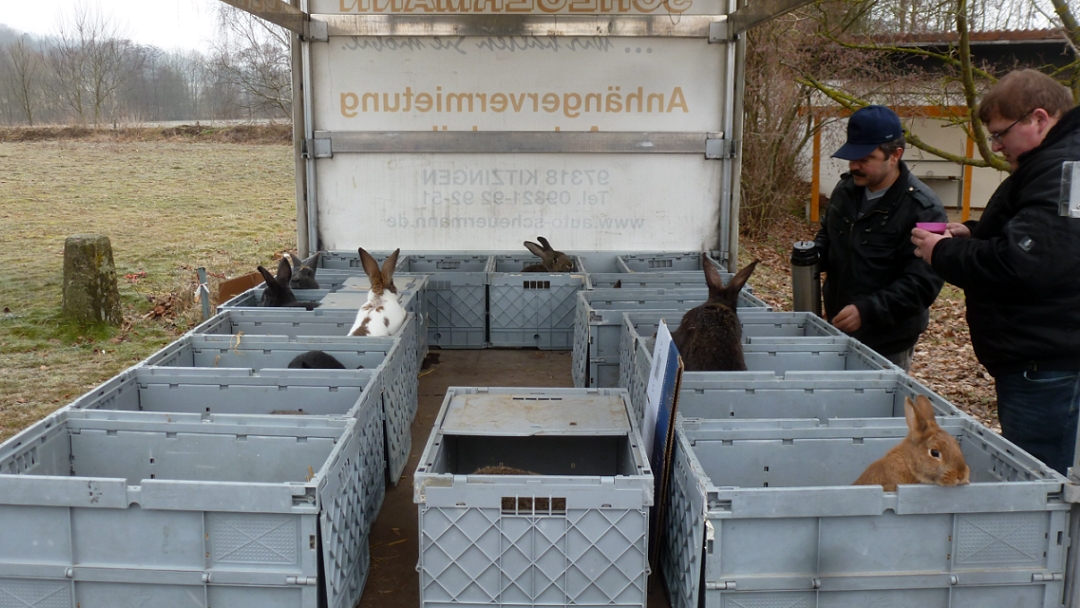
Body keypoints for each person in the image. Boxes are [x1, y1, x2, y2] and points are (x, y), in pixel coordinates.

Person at [911, 69, 1080, 475]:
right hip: (1040, 358)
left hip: (1046, 367)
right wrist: (974, 233)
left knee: (1040, 483)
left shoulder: (1062, 170)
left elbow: (1024, 264)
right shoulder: (1053, 164)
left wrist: (945, 254)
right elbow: (1040, 242)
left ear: (1038, 119)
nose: (997, 145)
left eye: (1001, 133)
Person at [813, 105, 947, 371]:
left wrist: (868, 310)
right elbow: (828, 235)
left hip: (889, 341)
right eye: (851, 158)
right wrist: (813, 254)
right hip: (839, 328)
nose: (854, 166)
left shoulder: (927, 209)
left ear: (895, 155)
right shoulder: (845, 190)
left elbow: (923, 284)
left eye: (865, 159)